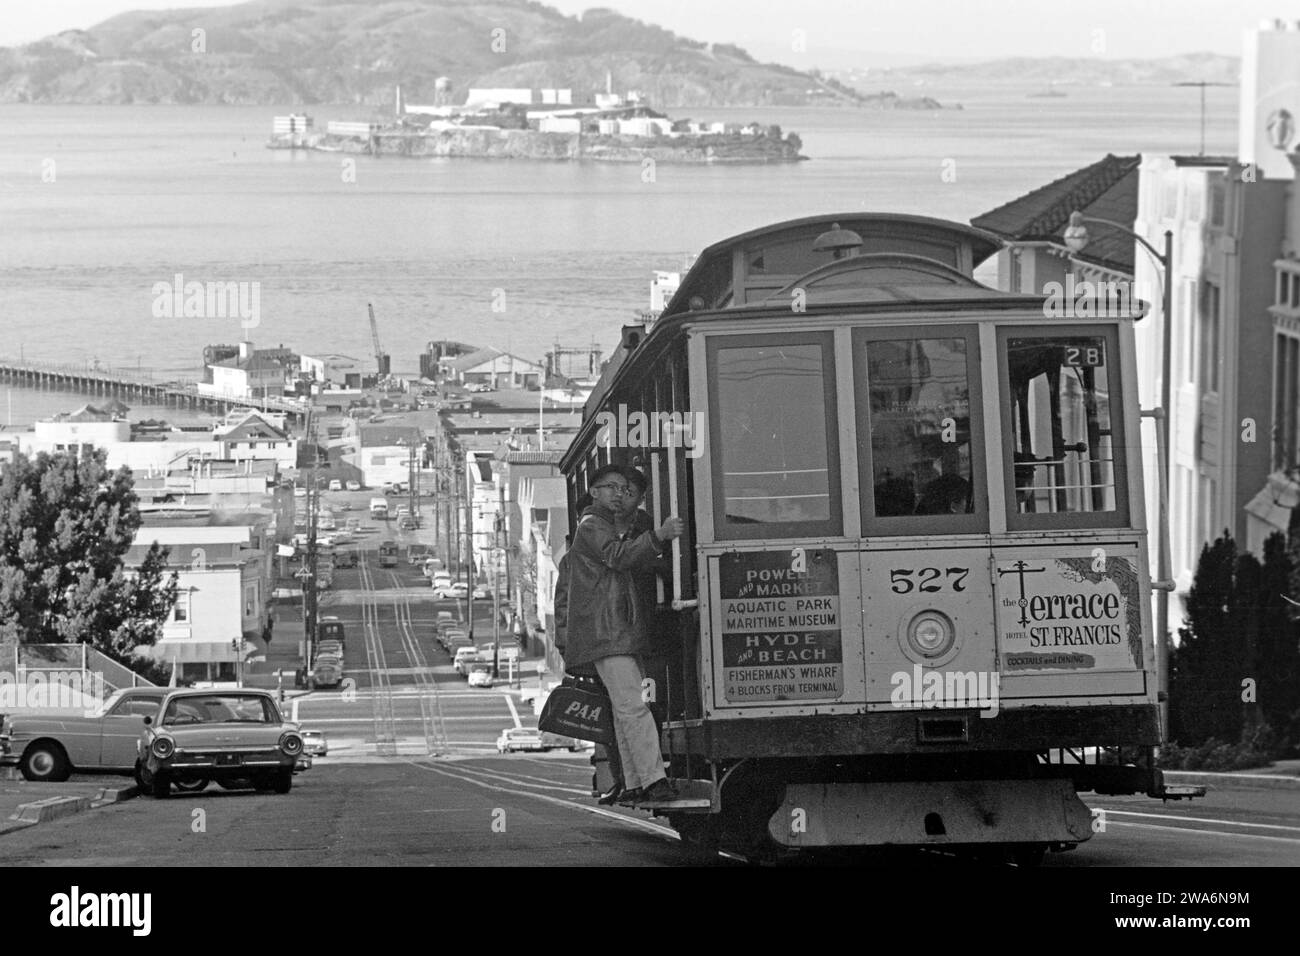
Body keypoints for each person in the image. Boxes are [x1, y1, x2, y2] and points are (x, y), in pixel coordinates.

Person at [565, 464, 684, 805]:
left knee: (624, 709)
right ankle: (654, 780)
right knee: (635, 707)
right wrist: (660, 535)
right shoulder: (592, 527)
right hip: (611, 632)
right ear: (594, 492)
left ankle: (634, 781)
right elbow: (619, 557)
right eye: (610, 487)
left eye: (622, 488)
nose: (618, 494)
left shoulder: (596, 526)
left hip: (614, 633)